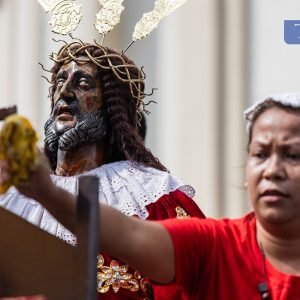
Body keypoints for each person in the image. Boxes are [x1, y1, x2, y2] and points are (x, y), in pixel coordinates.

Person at [2, 92, 300, 299]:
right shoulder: (214, 244)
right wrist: (45, 191)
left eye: (293, 155)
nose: (272, 170)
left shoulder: (160, 199)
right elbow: (128, 233)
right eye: (260, 154)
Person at [0, 41, 205, 299]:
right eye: (60, 81)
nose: (64, 92)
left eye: (83, 83)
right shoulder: (12, 196)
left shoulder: (153, 198)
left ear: (111, 107)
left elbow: (193, 281)